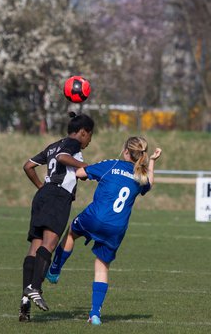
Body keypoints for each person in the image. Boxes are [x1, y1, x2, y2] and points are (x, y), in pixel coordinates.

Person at [46, 136, 162, 325]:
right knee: (101, 267)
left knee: (71, 233)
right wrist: (153, 162)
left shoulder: (111, 164)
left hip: (95, 217)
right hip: (116, 227)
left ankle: (55, 269)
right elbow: (149, 181)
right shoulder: (139, 176)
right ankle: (95, 314)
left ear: (126, 151)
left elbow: (80, 173)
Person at [19, 112, 94, 322]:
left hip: (42, 196)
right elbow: (63, 158)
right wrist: (85, 166)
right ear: (83, 132)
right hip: (58, 197)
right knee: (49, 244)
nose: (89, 141)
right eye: (90, 136)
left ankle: (25, 302)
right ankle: (35, 287)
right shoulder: (73, 144)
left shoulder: (53, 145)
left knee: (35, 246)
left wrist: (42, 187)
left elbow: (28, 166)